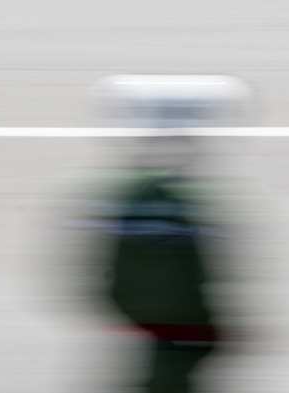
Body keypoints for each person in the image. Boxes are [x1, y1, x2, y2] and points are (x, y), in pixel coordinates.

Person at [86, 76, 248, 393]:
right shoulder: (179, 198)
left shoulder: (131, 192)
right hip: (175, 340)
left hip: (158, 336)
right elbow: (201, 275)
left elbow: (106, 281)